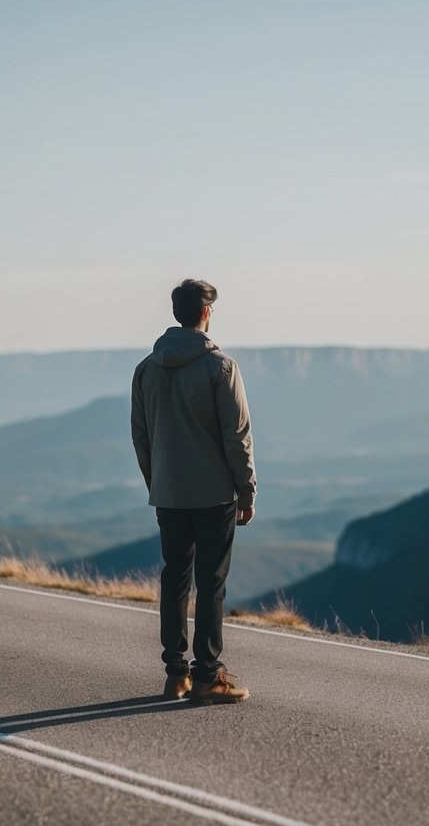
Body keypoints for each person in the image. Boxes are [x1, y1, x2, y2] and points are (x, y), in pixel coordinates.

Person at [131, 279, 256, 704]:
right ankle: (207, 675)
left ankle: (175, 674)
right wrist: (247, 490)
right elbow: (236, 436)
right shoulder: (220, 367)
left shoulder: (146, 369)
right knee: (211, 582)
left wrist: (158, 482)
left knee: (175, 578)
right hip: (214, 494)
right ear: (206, 313)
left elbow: (141, 437)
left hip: (168, 492)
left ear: (176, 312)